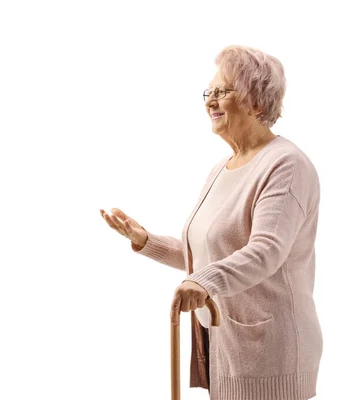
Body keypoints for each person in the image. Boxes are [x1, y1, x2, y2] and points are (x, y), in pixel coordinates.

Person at [101, 45, 322, 399]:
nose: (210, 101)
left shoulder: (286, 165)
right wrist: (147, 242)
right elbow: (209, 254)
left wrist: (203, 282)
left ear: (256, 102)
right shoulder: (222, 168)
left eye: (222, 92)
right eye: (209, 92)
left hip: (270, 353)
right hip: (223, 345)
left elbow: (266, 250)